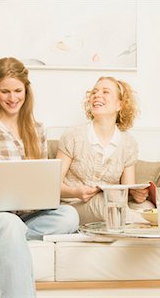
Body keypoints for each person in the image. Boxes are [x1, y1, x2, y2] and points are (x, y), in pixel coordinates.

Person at [0, 57, 79, 298]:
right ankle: (7, 236)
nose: (12, 98)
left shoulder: (37, 128)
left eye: (18, 90)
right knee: (7, 224)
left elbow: (39, 179)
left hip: (24, 214)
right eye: (4, 91)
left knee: (69, 215)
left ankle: (9, 238)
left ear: (26, 90)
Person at [56, 76, 154, 224]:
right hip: (74, 207)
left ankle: (153, 226)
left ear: (119, 105)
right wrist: (76, 192)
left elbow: (127, 189)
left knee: (146, 206)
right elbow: (53, 184)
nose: (97, 95)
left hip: (113, 205)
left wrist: (136, 194)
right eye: (94, 92)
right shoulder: (73, 136)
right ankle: (154, 227)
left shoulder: (128, 143)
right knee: (104, 203)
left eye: (105, 92)